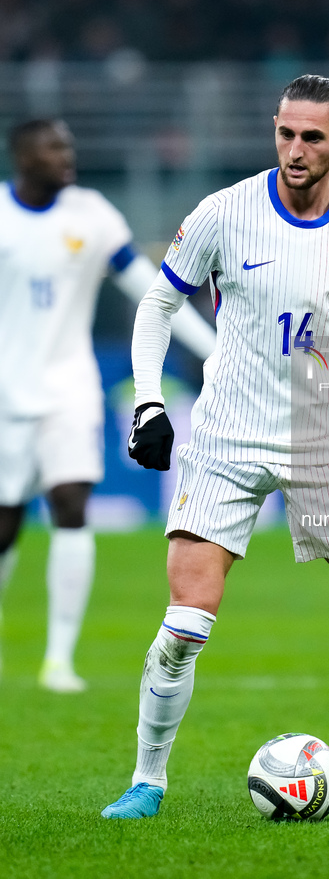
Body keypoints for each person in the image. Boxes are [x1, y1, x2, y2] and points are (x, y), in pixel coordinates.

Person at [102, 75, 329, 819]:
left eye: (311, 136)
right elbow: (157, 304)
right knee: (185, 624)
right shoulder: (224, 212)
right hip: (225, 439)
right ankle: (147, 781)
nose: (294, 149)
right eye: (284, 133)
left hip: (324, 444)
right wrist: (149, 402)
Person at [0, 118, 216, 693]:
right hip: (5, 392)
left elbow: (152, 288)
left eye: (68, 145)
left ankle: (58, 661)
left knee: (71, 502)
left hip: (71, 388)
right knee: (5, 524)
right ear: (21, 156)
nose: (66, 154)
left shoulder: (91, 214)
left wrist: (215, 349)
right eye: (52, 147)